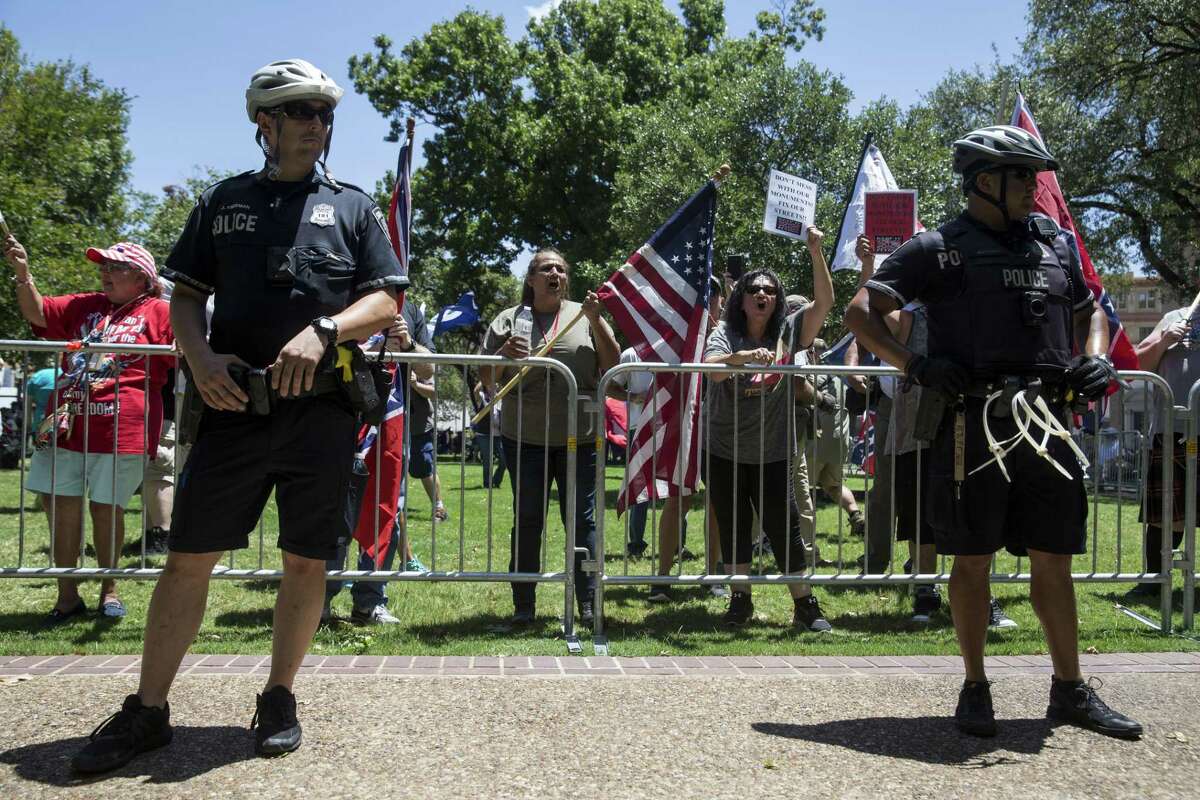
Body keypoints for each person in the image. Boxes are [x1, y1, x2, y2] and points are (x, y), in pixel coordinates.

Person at [69, 58, 405, 773]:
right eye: (300, 111)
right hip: (234, 409)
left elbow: (386, 300)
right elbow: (186, 295)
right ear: (266, 122)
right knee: (188, 558)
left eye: (323, 112)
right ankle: (147, 711)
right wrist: (198, 358)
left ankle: (279, 695)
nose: (316, 124)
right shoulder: (222, 201)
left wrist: (326, 330)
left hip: (321, 414)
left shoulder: (353, 205)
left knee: (306, 560)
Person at [846, 124, 1141, 739]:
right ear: (985, 181)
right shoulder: (938, 247)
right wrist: (916, 365)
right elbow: (860, 312)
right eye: (1022, 177)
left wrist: (1095, 355)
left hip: (1049, 423)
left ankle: (1069, 690)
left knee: (1053, 560)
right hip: (970, 428)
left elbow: (1090, 314)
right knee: (972, 560)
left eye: (1035, 177)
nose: (1035, 188)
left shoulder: (1056, 243)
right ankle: (975, 685)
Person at [4, 235, 173, 623]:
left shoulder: (161, 311)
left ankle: (108, 589)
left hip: (123, 427)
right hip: (66, 423)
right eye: (104, 266)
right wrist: (23, 273)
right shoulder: (86, 304)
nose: (105, 273)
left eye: (116, 267)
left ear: (142, 278)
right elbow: (39, 313)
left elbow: (188, 344)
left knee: (106, 509)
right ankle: (67, 596)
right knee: (62, 506)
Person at [703, 227, 833, 631]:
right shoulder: (724, 333)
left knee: (783, 525)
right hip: (724, 446)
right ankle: (740, 601)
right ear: (741, 298)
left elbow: (825, 302)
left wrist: (816, 252)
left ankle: (805, 604)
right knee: (734, 524)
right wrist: (739, 358)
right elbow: (712, 372)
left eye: (770, 290)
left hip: (775, 447)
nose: (763, 294)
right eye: (755, 289)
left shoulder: (789, 331)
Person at [482, 248, 619, 627]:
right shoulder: (509, 320)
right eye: (546, 269)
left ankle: (588, 604)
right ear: (531, 279)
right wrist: (502, 356)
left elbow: (613, 363)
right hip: (524, 439)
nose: (554, 274)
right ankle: (524, 606)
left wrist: (599, 321)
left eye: (560, 268)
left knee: (583, 522)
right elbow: (486, 380)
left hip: (582, 440)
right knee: (528, 519)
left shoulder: (583, 315)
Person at [323, 309, 432, 625]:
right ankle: (319, 599)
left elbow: (427, 368)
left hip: (388, 429)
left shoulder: (406, 308)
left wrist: (407, 344)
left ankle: (369, 602)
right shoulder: (335, 293)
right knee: (334, 512)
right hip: (338, 420)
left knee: (386, 513)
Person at [1132, 305, 1197, 595]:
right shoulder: (1174, 317)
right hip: (1171, 430)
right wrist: (1163, 341)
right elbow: (1137, 366)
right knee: (1166, 514)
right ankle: (1153, 581)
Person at [472, 381, 506, 488]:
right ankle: (487, 484)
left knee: (504, 459)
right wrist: (484, 378)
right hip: (484, 434)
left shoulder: (500, 398)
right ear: (486, 386)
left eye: (496, 383)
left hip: (498, 435)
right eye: (491, 382)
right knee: (487, 459)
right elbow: (476, 391)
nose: (495, 384)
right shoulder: (482, 396)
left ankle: (496, 480)